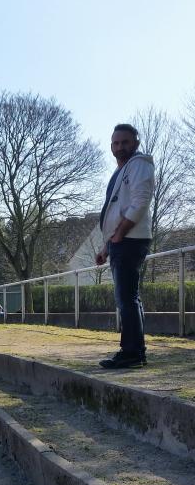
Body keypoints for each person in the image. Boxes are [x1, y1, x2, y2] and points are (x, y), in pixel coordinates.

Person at [96, 123, 154, 369]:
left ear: (135, 143)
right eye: (116, 143)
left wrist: (120, 233)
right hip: (121, 241)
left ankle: (131, 352)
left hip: (130, 239)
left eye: (125, 142)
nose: (120, 147)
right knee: (129, 298)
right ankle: (134, 351)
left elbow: (140, 202)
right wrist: (107, 246)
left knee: (126, 298)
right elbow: (116, 210)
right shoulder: (121, 172)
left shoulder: (139, 164)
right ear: (111, 146)